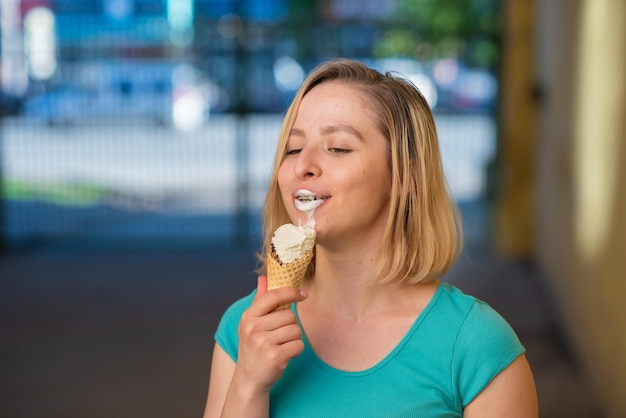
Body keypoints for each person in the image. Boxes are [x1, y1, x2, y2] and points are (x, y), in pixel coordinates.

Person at [203, 58, 538, 417]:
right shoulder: (245, 328)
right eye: (293, 148)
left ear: (403, 175)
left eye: (338, 148)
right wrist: (248, 384)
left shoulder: (475, 344)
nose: (303, 166)